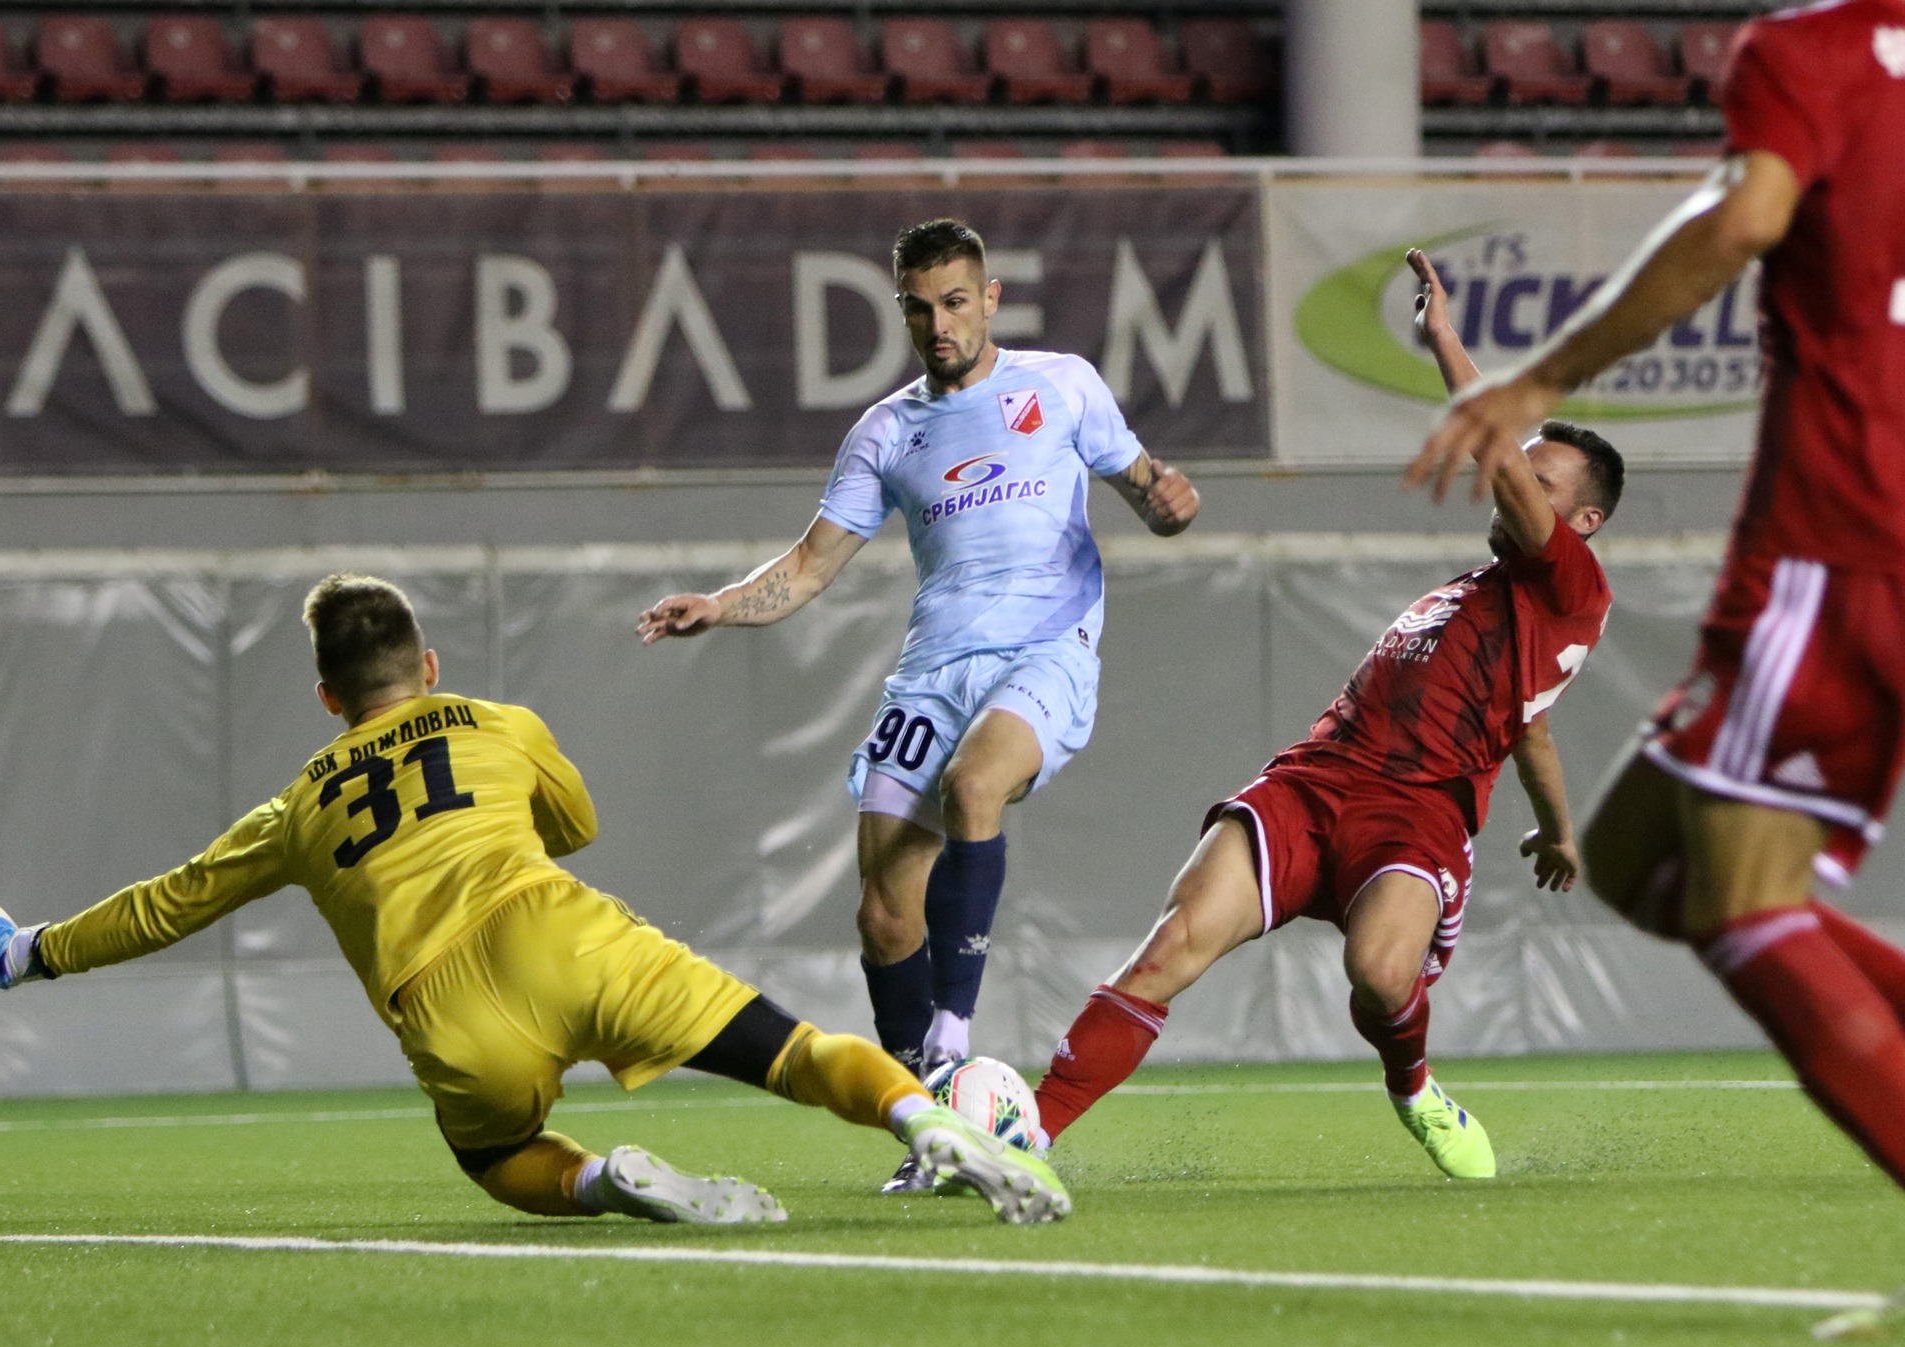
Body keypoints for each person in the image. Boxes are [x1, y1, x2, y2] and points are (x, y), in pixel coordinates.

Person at [0, 574, 1070, 1226]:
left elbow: (166, 905)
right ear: (429, 666)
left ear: (325, 696)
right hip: (558, 933)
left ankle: (607, 1179)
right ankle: (930, 1123)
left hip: (448, 1013)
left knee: (499, 1156)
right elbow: (577, 827)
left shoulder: (299, 806)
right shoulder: (500, 726)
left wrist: (25, 954)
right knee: (797, 1051)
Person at [1409, 0, 1905, 1206]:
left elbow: (1742, 216)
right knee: (1642, 861)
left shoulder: (1811, 49)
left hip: (1847, 541)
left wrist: (1530, 374)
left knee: (1740, 897)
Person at [1029, 251, 1625, 1179]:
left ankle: (1413, 1084)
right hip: (1310, 783)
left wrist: (1446, 345)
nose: (1515, 485)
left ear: (1581, 525)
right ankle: (1024, 1135)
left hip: (1416, 812)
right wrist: (1559, 831)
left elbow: (1499, 462)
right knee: (1170, 946)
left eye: (1543, 485)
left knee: (1382, 976)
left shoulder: (1571, 581)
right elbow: (1531, 726)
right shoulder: (1486, 595)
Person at [635, 218, 1200, 1192]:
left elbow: (1145, 486)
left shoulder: (1060, 384)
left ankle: (952, 1038)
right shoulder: (887, 432)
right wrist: (719, 607)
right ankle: (929, 1131)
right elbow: (811, 565)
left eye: (952, 302)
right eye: (917, 307)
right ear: (900, 310)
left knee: (976, 785)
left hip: (1042, 650)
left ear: (988, 300)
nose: (937, 324)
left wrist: (1167, 504)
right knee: (884, 914)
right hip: (930, 674)